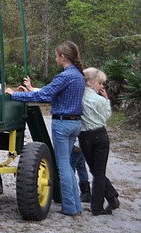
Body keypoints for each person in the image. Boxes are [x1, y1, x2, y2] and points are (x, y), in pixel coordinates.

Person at [6, 41, 86, 216]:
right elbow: (53, 97)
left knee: (63, 166)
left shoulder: (65, 77)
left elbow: (44, 95)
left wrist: (15, 95)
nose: (55, 58)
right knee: (68, 165)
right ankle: (75, 205)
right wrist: (29, 90)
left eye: (56, 55)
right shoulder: (79, 76)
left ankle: (70, 207)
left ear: (62, 56)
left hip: (63, 123)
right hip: (75, 123)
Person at [78, 67, 120, 216]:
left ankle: (106, 200)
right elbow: (106, 117)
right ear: (91, 82)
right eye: (100, 83)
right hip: (100, 135)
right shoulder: (100, 100)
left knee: (95, 171)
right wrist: (106, 100)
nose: (101, 86)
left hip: (85, 136)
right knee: (98, 171)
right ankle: (102, 204)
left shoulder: (79, 96)